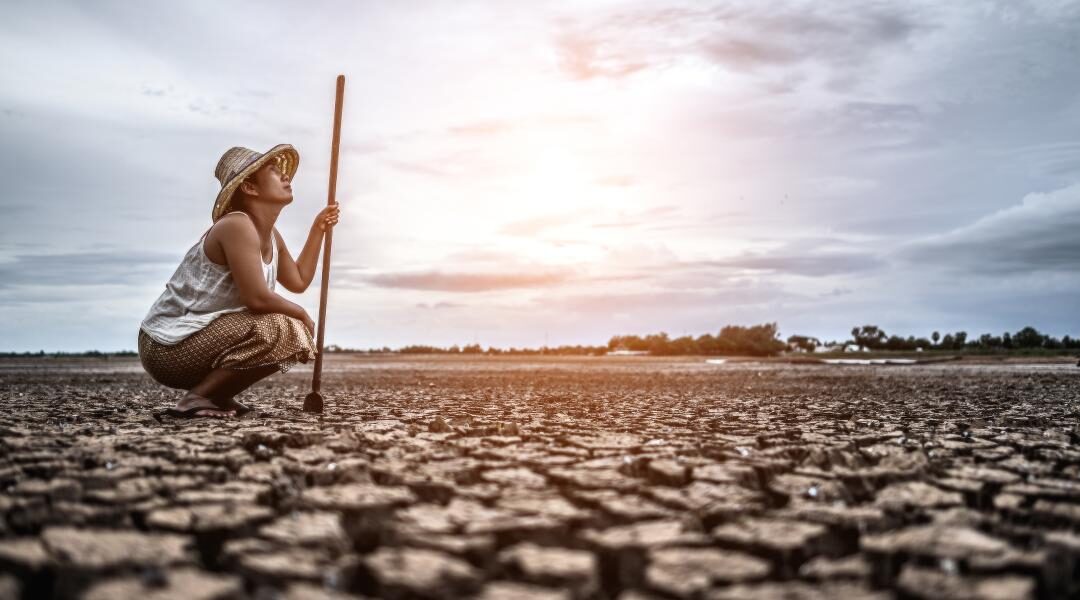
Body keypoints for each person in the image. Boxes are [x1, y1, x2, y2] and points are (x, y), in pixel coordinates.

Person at [139, 144, 340, 419]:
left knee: (289, 329)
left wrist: (318, 229)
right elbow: (256, 298)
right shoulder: (237, 225)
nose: (285, 177)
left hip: (200, 339)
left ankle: (217, 395)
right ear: (250, 188)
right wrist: (302, 313)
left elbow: (299, 280)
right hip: (166, 347)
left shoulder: (271, 236)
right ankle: (196, 398)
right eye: (273, 171)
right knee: (284, 327)